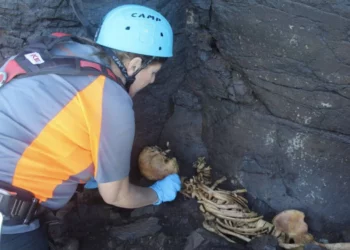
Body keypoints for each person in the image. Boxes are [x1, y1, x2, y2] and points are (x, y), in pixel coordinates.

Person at [0, 4, 181, 250]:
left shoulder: (57, 49)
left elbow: (42, 123)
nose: (153, 79)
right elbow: (117, 195)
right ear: (135, 64)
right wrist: (157, 194)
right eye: (153, 71)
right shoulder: (110, 98)